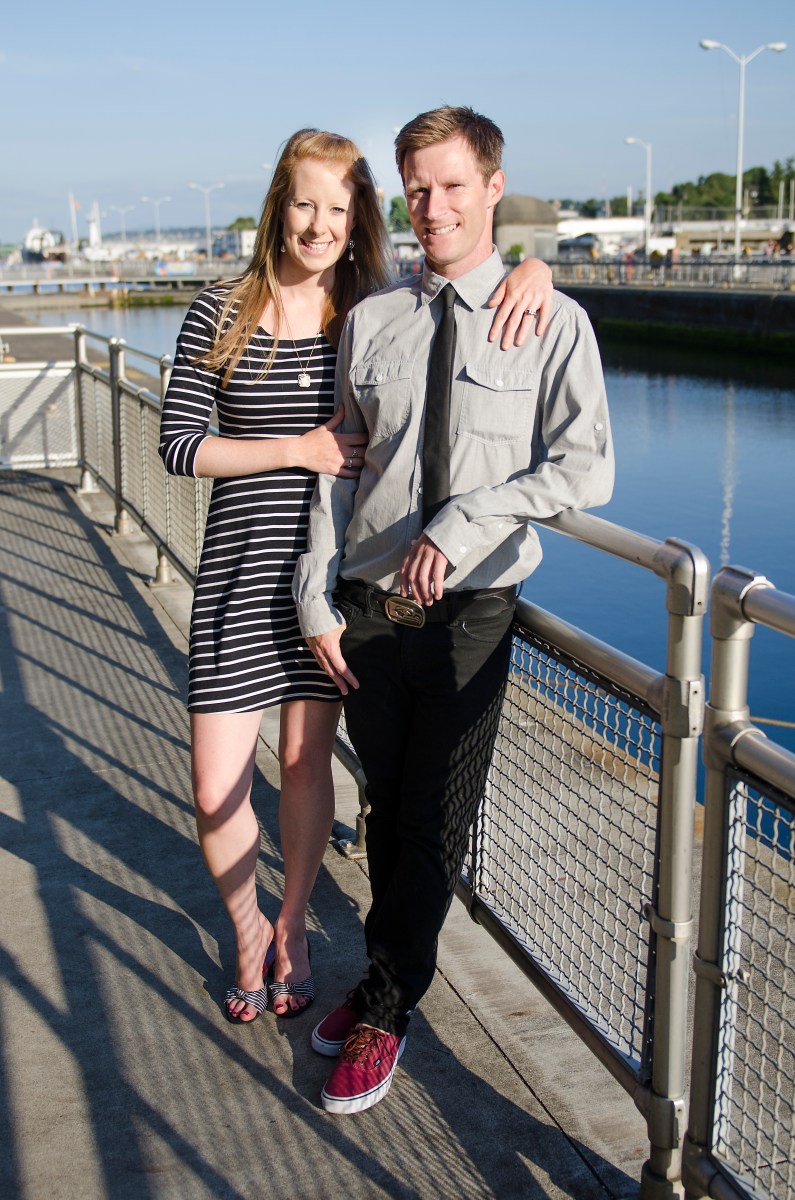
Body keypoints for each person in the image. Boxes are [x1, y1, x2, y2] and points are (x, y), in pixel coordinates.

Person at [158, 127, 555, 1026]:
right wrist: (291, 448)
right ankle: (244, 926)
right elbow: (179, 446)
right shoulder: (218, 314)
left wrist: (531, 268)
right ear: (277, 205)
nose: (318, 224)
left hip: (327, 588)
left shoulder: (369, 313)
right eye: (304, 203)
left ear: (358, 219)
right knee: (214, 782)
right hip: (234, 576)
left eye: (339, 208)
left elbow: (467, 292)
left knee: (304, 766)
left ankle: (290, 932)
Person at [293, 105, 615, 1112]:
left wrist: (471, 518)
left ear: (492, 186)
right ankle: (387, 973)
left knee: (432, 820)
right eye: (417, 188)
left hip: (473, 612)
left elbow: (587, 468)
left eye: (452, 185)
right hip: (371, 608)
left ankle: (387, 1009)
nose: (433, 206)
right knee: (388, 812)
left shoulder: (551, 319)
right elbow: (337, 470)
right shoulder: (372, 320)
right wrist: (315, 595)